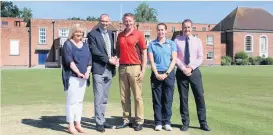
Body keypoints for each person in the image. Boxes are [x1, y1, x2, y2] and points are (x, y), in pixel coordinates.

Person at [174, 19, 211, 131]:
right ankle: (185, 123)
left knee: (199, 97)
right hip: (181, 72)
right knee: (183, 99)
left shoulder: (197, 41)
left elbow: (200, 57)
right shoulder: (177, 40)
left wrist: (191, 67)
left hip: (194, 72)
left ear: (192, 28)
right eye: (185, 27)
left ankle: (203, 123)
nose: (187, 29)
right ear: (182, 28)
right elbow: (175, 57)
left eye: (189, 27)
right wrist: (183, 68)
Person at [115, 13, 147, 131]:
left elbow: (144, 52)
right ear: (123, 22)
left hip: (135, 67)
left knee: (137, 96)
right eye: (125, 21)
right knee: (124, 96)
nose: (127, 23)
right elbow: (118, 52)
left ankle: (139, 121)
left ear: (133, 21)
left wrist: (143, 70)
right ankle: (126, 119)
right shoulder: (120, 35)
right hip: (122, 68)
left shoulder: (139, 34)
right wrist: (115, 58)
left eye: (129, 21)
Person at [87, 14, 118, 133]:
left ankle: (102, 119)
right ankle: (99, 122)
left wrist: (115, 57)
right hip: (98, 69)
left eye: (106, 21)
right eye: (103, 21)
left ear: (109, 22)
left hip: (109, 69)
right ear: (99, 21)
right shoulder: (92, 34)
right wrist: (107, 59)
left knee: (105, 97)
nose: (105, 23)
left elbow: (110, 50)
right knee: (98, 97)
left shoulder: (111, 34)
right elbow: (94, 51)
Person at [61, 23, 92, 134]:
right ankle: (70, 125)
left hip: (83, 78)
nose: (79, 33)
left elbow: (89, 60)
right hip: (72, 77)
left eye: (81, 32)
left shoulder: (85, 45)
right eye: (77, 31)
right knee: (71, 102)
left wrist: (87, 72)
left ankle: (78, 123)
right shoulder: (68, 44)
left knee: (79, 102)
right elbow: (69, 61)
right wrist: (78, 72)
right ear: (72, 32)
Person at [148, 23, 177, 131]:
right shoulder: (152, 44)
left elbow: (174, 59)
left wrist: (166, 73)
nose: (161, 32)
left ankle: (167, 122)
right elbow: (151, 61)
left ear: (166, 31)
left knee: (168, 99)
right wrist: (156, 74)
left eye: (162, 30)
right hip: (156, 74)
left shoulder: (171, 43)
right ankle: (158, 122)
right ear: (157, 31)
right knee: (157, 100)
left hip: (168, 74)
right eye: (159, 30)